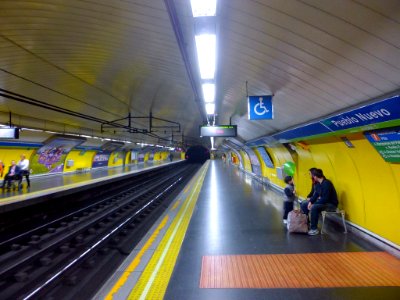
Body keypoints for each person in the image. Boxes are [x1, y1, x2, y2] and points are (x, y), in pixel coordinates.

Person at [302, 169, 338, 235]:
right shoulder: (318, 184)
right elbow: (316, 195)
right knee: (304, 203)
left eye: (312, 176)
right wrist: (310, 202)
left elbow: (325, 199)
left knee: (314, 207)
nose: (311, 177)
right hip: (324, 203)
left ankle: (314, 229)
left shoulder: (327, 183)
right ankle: (306, 223)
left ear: (315, 176)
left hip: (331, 205)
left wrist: (313, 204)